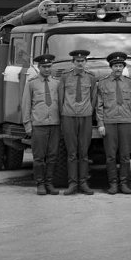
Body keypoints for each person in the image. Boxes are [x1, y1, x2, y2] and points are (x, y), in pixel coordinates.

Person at [97, 51, 131, 194]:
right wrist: (101, 124)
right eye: (115, 66)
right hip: (109, 122)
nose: (118, 69)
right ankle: (113, 184)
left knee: (125, 156)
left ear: (124, 67)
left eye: (120, 66)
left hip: (126, 122)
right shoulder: (103, 83)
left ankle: (124, 184)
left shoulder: (129, 83)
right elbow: (99, 106)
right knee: (110, 156)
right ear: (111, 67)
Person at [57, 48, 97, 195]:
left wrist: (89, 112)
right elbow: (61, 98)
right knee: (72, 152)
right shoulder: (65, 77)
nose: (80, 63)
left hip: (85, 117)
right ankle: (72, 184)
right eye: (77, 61)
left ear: (86, 62)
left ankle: (84, 183)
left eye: (82, 61)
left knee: (84, 152)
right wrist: (62, 115)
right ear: (72, 62)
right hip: (68, 116)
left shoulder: (91, 77)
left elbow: (94, 98)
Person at [21, 53, 61, 195]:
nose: (47, 69)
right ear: (39, 67)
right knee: (39, 157)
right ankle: (40, 184)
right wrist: (28, 125)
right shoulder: (31, 83)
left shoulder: (57, 83)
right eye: (44, 67)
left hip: (55, 124)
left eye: (49, 66)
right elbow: (26, 105)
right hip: (38, 125)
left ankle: (49, 183)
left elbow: (61, 104)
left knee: (52, 156)